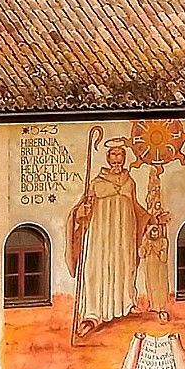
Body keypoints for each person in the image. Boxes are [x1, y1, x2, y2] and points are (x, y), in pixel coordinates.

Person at [67, 132, 147, 338]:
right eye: (114, 154)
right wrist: (80, 212)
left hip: (124, 233)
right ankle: (92, 315)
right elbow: (82, 206)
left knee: (124, 266)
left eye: (121, 154)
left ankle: (125, 304)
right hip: (101, 234)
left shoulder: (130, 181)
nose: (117, 159)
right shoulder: (96, 182)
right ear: (108, 157)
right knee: (97, 268)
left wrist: (151, 218)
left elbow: (136, 206)